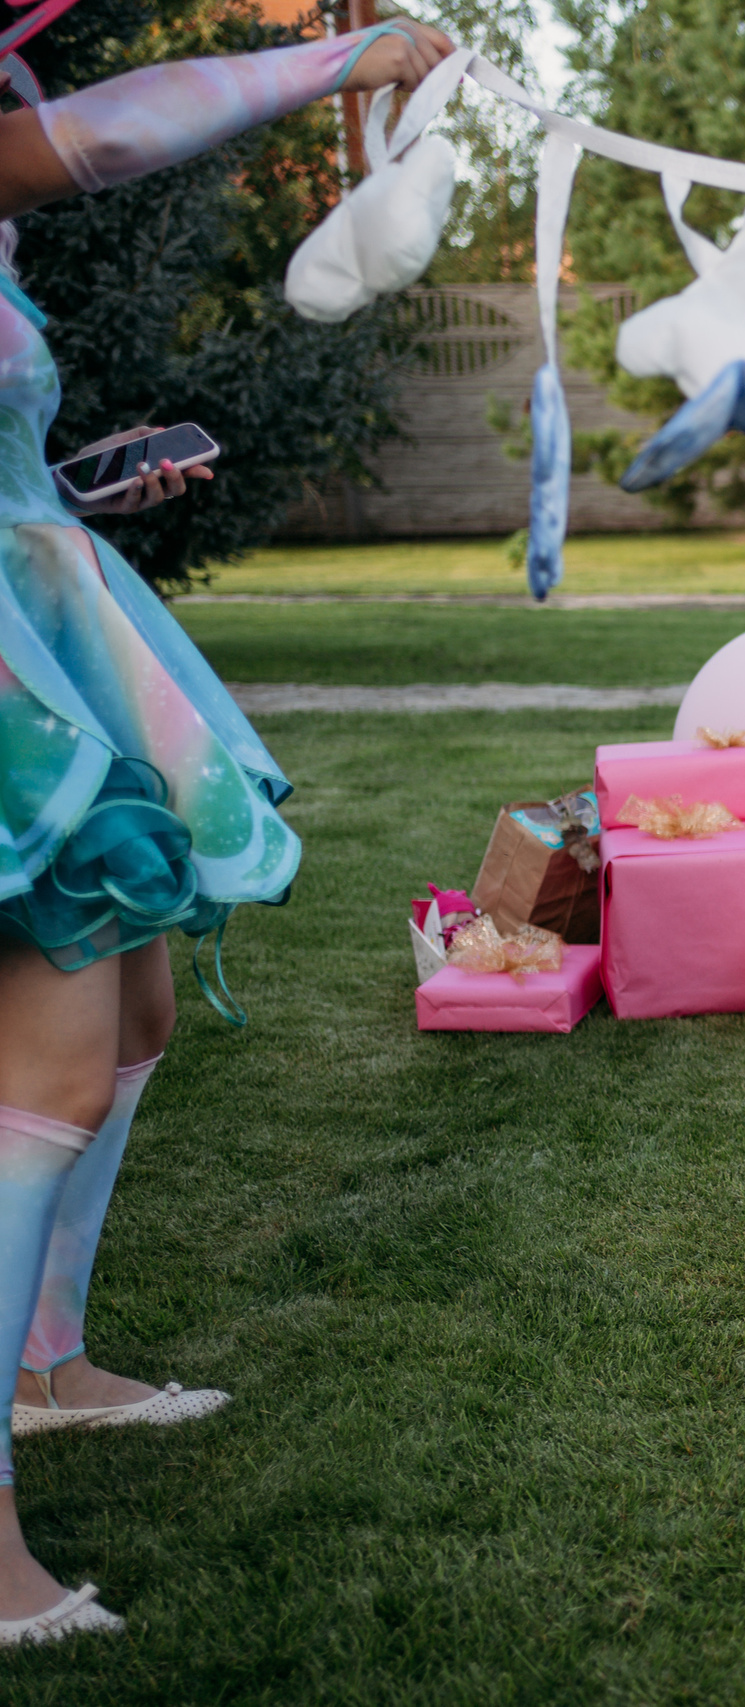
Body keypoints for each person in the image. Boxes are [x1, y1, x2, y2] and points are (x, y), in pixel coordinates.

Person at [0, 13, 457, 1645]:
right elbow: (113, 133)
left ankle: (46, 1365)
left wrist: (73, 482)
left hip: (37, 594)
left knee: (134, 1011)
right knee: (41, 1062)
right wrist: (349, 59)